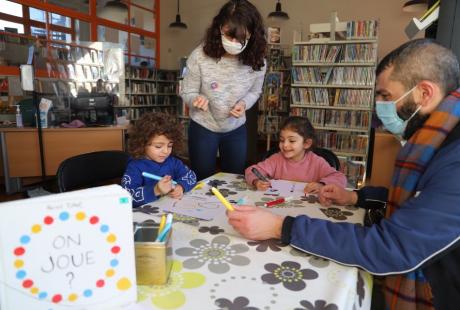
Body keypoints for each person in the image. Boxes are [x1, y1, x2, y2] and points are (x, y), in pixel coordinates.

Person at [227, 39, 460, 309]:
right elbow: (421, 204)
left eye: (385, 95)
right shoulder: (438, 140)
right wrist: (355, 197)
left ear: (424, 93)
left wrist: (281, 227)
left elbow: (393, 248)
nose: (378, 105)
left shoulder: (454, 156)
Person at [179, 0, 267, 180]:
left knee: (233, 180)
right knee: (201, 179)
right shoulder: (200, 56)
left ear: (252, 34)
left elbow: (255, 92)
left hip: (236, 128)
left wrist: (244, 104)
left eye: (241, 38)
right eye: (229, 35)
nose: (234, 42)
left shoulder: (258, 61)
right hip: (203, 126)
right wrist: (195, 99)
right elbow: (187, 91)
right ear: (219, 28)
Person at [245, 116, 346, 193]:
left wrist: (321, 184)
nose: (285, 145)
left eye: (292, 141)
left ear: (306, 143)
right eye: (281, 140)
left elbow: (340, 178)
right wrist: (256, 181)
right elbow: (251, 170)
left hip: (307, 209)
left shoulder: (316, 162)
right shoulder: (276, 159)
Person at [122, 112, 197, 208]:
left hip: (171, 210)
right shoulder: (134, 167)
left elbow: (191, 176)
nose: (166, 151)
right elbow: (125, 197)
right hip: (145, 217)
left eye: (170, 146)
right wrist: (155, 190)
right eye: (158, 146)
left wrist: (181, 186)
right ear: (142, 143)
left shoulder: (173, 162)